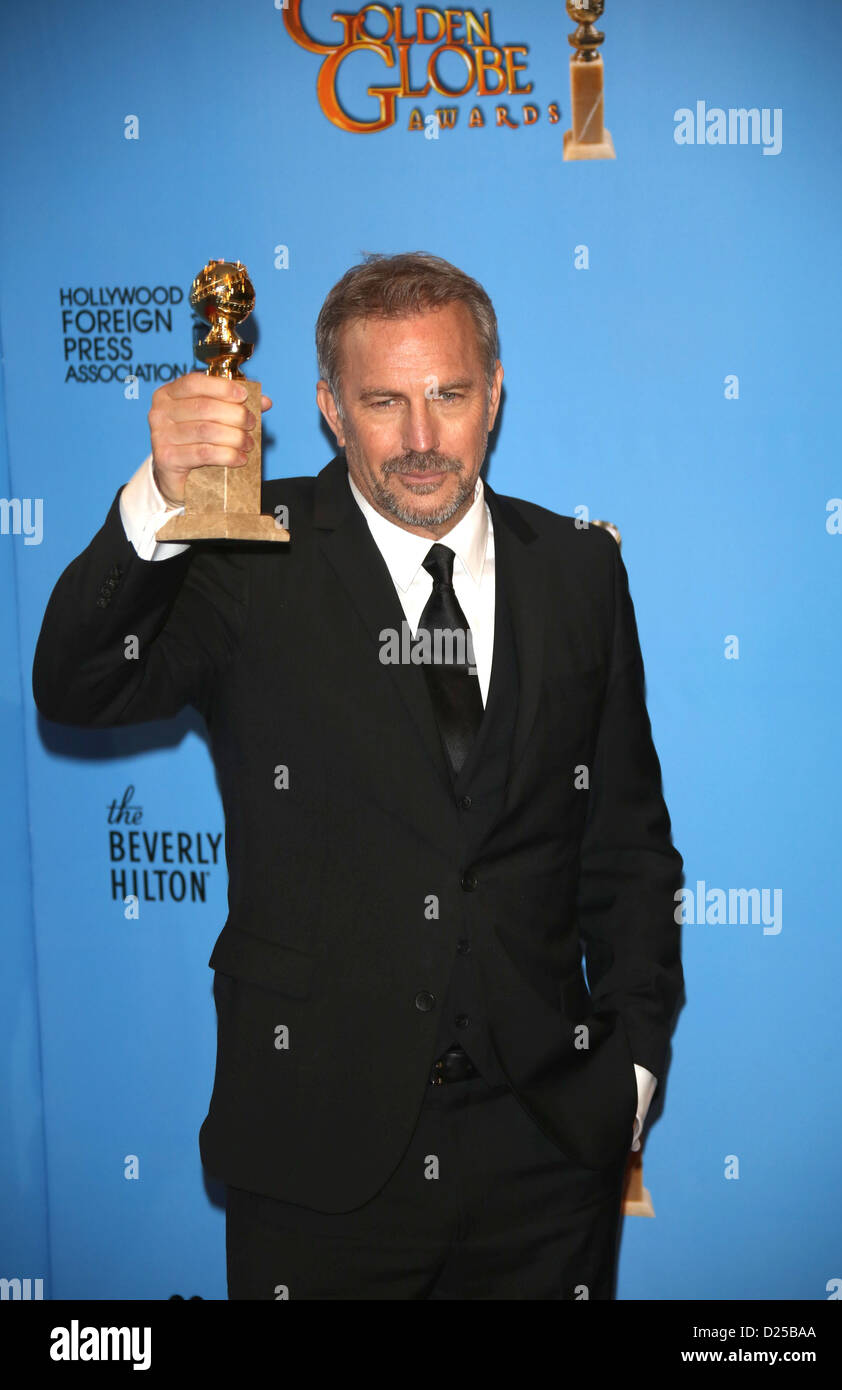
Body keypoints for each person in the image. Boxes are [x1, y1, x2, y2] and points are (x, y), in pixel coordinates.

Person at [32, 250, 684, 1300]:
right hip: (315, 1152)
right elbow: (76, 685)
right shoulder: (247, 556)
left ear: (495, 392)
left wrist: (631, 1070)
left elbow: (625, 844)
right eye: (383, 401)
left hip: (547, 1154)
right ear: (331, 410)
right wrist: (157, 499)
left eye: (448, 395)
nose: (421, 439)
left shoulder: (578, 569)